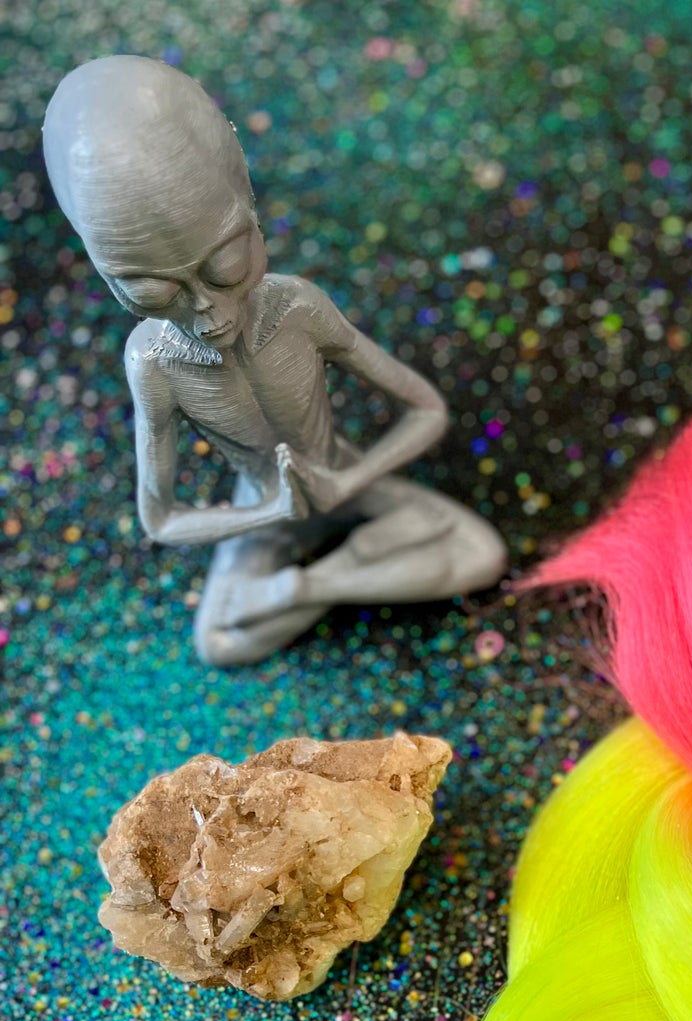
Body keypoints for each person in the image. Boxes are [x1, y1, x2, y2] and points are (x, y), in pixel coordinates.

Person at [43, 54, 507, 666]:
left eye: (227, 266)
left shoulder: (297, 307)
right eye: (153, 292)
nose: (208, 311)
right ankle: (345, 568)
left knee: (480, 554)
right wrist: (268, 511)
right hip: (262, 505)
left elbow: (427, 410)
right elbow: (159, 518)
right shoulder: (154, 361)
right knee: (219, 644)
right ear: (110, 280)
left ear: (253, 218)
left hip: (342, 475)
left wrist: (349, 484)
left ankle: (308, 585)